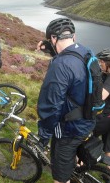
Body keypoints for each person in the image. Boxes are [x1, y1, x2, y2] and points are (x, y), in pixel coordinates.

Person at [37, 18, 96, 183]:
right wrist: (50, 48)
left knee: (60, 177)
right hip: (88, 119)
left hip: (69, 128)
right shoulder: (86, 52)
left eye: (51, 40)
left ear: (54, 38)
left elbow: (51, 105)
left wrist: (44, 135)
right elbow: (71, 61)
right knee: (72, 158)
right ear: (73, 36)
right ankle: (77, 173)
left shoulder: (60, 65)